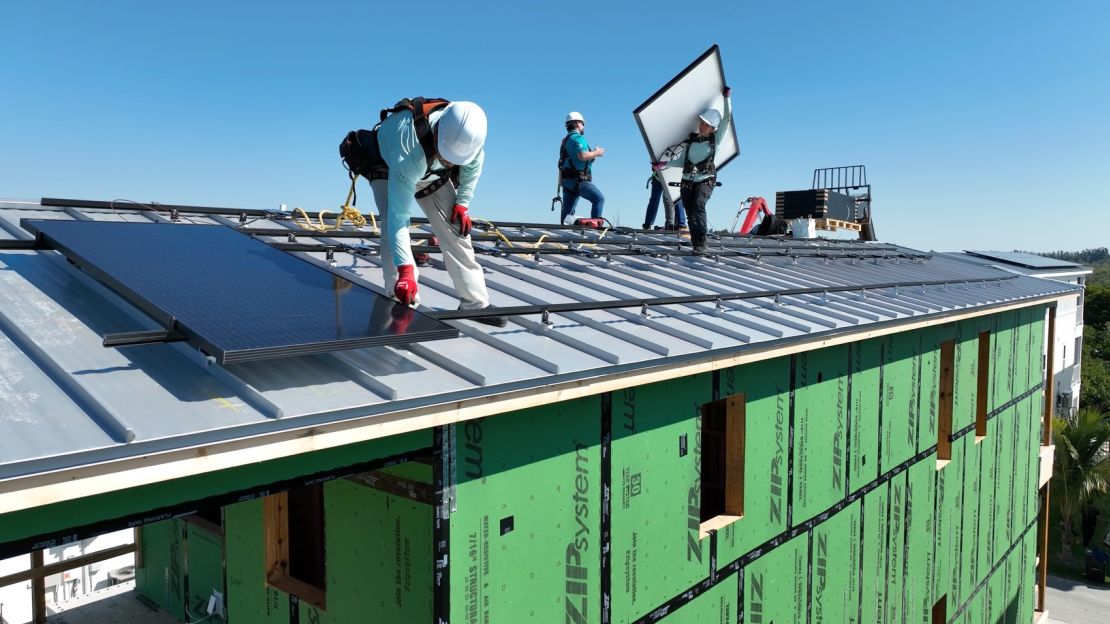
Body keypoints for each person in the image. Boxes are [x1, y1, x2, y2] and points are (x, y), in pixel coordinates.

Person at [342, 98, 506, 327]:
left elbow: (471, 169)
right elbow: (400, 219)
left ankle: (474, 304)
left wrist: (462, 203)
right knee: (392, 227)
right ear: (438, 133)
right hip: (388, 167)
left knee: (456, 230)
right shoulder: (407, 150)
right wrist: (407, 271)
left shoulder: (470, 141)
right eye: (448, 156)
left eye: (454, 160)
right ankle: (399, 298)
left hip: (431, 171)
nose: (450, 161)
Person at [653, 87, 732, 254]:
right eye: (701, 122)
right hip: (687, 181)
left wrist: (727, 98)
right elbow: (682, 161)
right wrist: (664, 164)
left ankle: (702, 242)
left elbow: (726, 119)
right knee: (689, 213)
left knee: (698, 206)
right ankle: (696, 244)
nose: (702, 125)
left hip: (705, 180)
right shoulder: (690, 141)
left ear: (712, 128)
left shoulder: (714, 141)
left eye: (706, 124)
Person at [557, 112, 606, 225]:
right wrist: (596, 153)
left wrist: (592, 154)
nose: (583, 127)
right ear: (578, 124)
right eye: (583, 124)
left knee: (566, 219)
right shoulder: (578, 138)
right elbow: (582, 156)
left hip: (568, 182)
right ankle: (597, 231)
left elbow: (577, 159)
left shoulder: (565, 141)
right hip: (580, 181)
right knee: (599, 199)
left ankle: (565, 238)